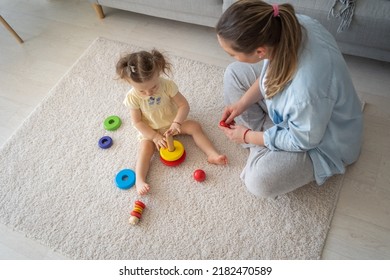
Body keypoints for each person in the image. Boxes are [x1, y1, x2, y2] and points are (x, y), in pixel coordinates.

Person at [216, 0, 363, 198]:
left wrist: (247, 137)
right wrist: (242, 103)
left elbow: (303, 141)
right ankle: (266, 140)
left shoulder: (305, 93)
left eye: (232, 53)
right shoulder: (288, 26)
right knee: (233, 73)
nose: (232, 56)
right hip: (300, 113)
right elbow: (270, 74)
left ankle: (261, 144)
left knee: (258, 182)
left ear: (260, 51)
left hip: (323, 142)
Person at [116, 49, 228, 195]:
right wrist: (154, 137)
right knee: (145, 149)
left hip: (172, 122)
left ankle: (212, 154)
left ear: (158, 73)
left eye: (153, 87)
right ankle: (140, 180)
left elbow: (183, 105)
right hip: (151, 129)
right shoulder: (132, 97)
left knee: (195, 126)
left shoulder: (167, 85)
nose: (149, 93)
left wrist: (177, 123)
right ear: (128, 81)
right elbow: (137, 123)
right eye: (142, 91)